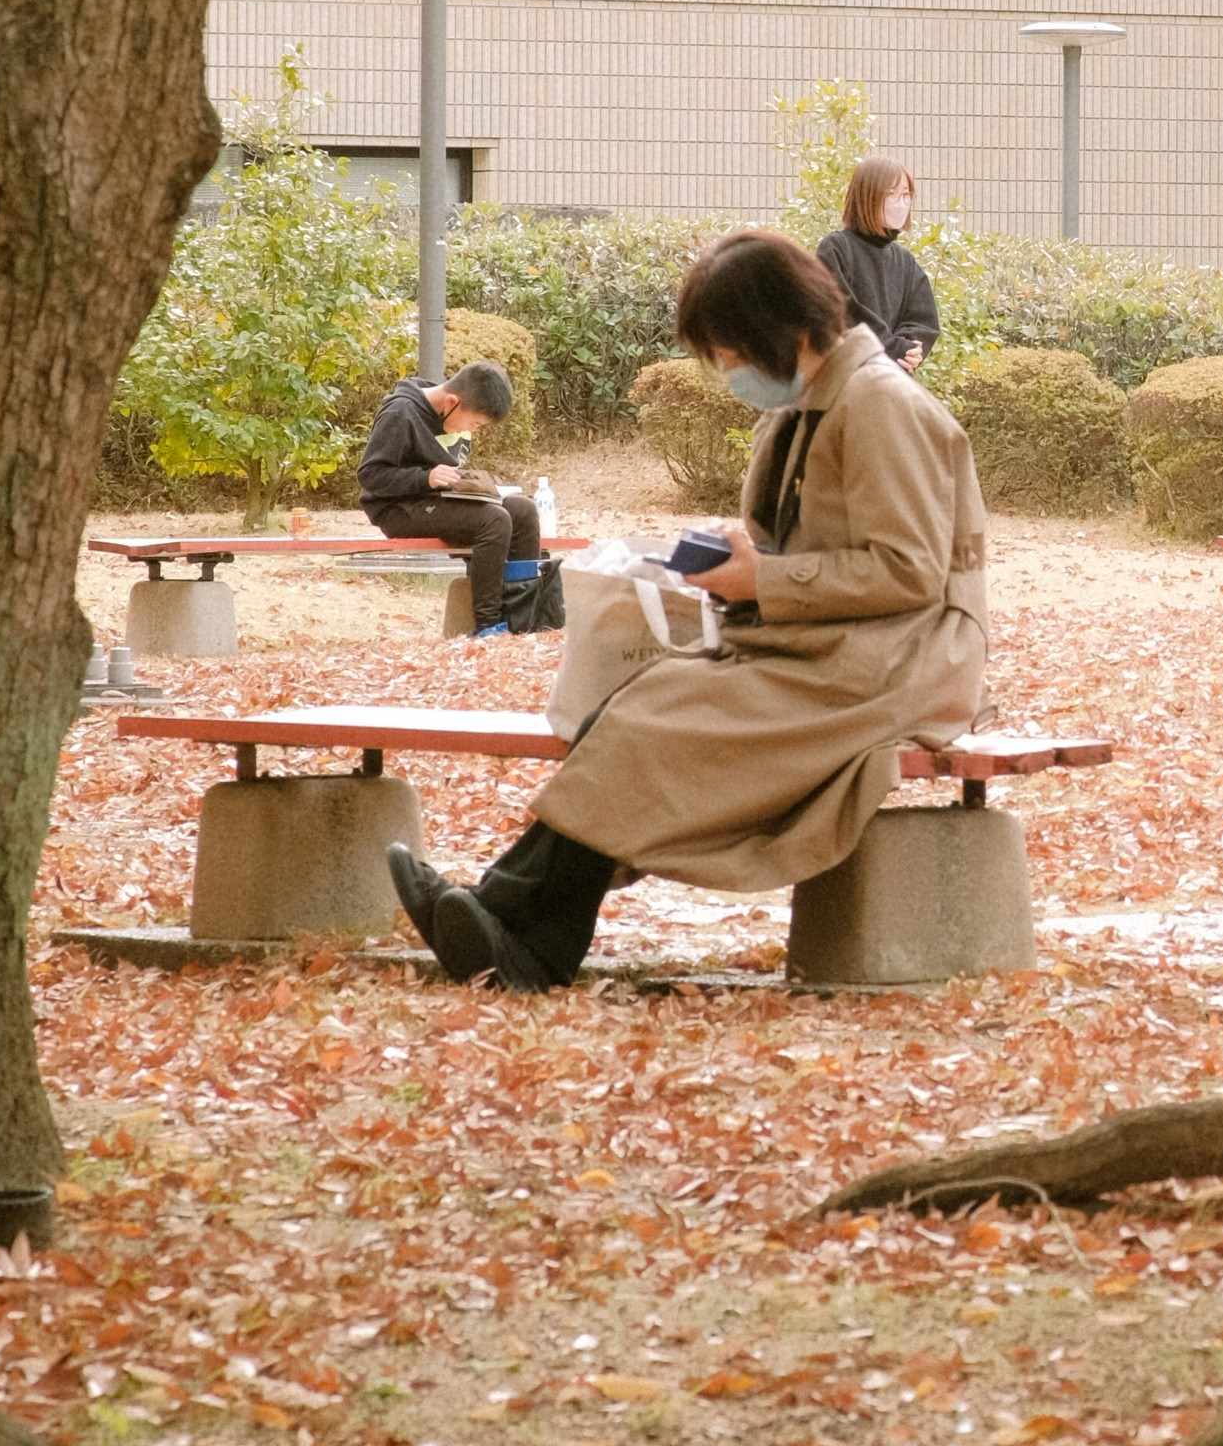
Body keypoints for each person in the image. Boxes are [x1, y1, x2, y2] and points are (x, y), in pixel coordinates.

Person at [386, 230, 989, 992]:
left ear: (785, 331)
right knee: (640, 705)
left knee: (659, 716)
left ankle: (513, 929)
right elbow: (819, 545)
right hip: (833, 645)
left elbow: (910, 571)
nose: (726, 369)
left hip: (900, 661)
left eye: (730, 350)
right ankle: (514, 929)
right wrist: (737, 558)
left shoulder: (879, 405)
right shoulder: (810, 403)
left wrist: (762, 578)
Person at [358, 357, 538, 632]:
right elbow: (370, 475)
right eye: (475, 423)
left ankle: (522, 620)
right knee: (494, 520)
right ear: (451, 402)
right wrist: (424, 478)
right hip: (398, 510)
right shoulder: (401, 413)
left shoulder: (453, 408)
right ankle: (488, 626)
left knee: (523, 511)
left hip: (440, 501)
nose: (473, 431)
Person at [819, 156, 942, 372]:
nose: (901, 203)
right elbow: (841, 311)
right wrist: (891, 348)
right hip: (846, 381)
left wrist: (908, 349)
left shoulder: (905, 261)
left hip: (892, 381)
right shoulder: (836, 248)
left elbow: (924, 321)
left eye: (906, 195)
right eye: (892, 195)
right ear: (867, 197)